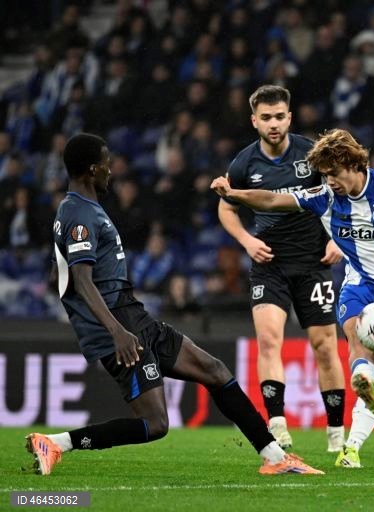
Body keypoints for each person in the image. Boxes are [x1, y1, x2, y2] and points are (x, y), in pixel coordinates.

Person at [26, 133, 323, 476]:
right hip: (119, 326)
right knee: (155, 424)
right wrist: (115, 332)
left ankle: (275, 457)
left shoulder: (81, 209)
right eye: (106, 163)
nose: (111, 170)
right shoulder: (79, 213)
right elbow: (80, 280)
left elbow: (58, 275)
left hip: (132, 315)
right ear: (92, 169)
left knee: (215, 371)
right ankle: (58, 443)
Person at [211, 128, 374, 468]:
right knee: (355, 334)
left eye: (334, 173)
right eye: (325, 175)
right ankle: (361, 373)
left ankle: (351, 446)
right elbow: (273, 200)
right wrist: (234, 194)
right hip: (358, 282)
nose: (330, 181)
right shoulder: (324, 195)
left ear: (353, 164)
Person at [217, 85, 347, 452]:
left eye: (279, 117)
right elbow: (227, 207)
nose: (273, 124)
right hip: (269, 264)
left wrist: (338, 239)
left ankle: (336, 434)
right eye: (266, 118)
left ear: (289, 117)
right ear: (254, 121)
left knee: (324, 346)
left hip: (313, 263)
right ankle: (277, 425)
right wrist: (246, 241)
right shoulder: (243, 163)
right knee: (269, 340)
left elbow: (341, 195)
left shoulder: (313, 154)